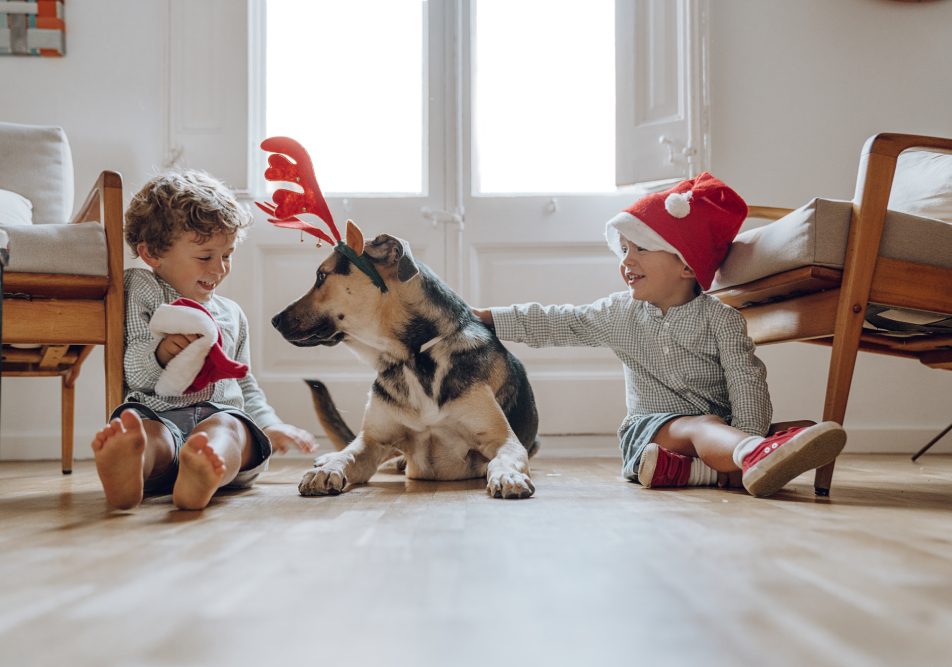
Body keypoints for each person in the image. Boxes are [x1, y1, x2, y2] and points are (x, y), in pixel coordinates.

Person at [473, 172, 846, 498]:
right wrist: (491, 318)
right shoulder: (619, 313)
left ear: (686, 265)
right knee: (703, 426)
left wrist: (747, 435)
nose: (626, 261)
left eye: (640, 248)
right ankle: (746, 458)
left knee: (803, 432)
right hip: (650, 434)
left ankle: (706, 469)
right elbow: (560, 322)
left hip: (717, 433)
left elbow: (747, 382)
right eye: (623, 249)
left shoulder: (722, 320)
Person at [91, 170, 317, 511]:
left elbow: (245, 383)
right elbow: (134, 370)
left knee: (228, 428)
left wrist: (271, 424)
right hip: (159, 414)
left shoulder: (232, 314)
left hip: (219, 413)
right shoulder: (142, 289)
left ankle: (203, 471)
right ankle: (131, 465)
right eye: (204, 257)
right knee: (147, 432)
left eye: (226, 255)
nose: (220, 268)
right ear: (152, 253)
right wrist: (162, 354)